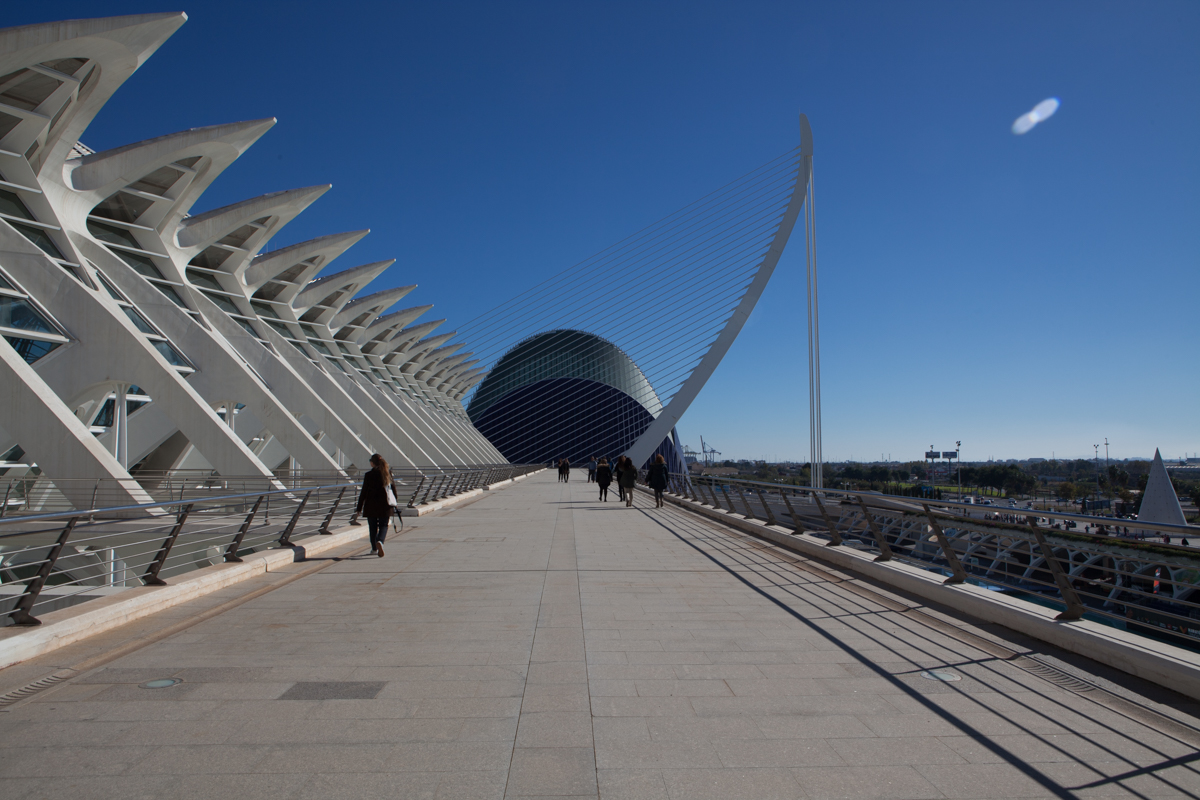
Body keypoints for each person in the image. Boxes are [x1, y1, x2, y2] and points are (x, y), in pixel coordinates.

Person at [355, 453, 396, 558]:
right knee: (383, 526)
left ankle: (374, 548)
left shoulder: (368, 475)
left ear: (372, 463)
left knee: (372, 528)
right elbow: (393, 490)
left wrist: (359, 508)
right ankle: (380, 541)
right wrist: (394, 503)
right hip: (385, 505)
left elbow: (363, 492)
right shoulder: (387, 473)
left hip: (371, 505)